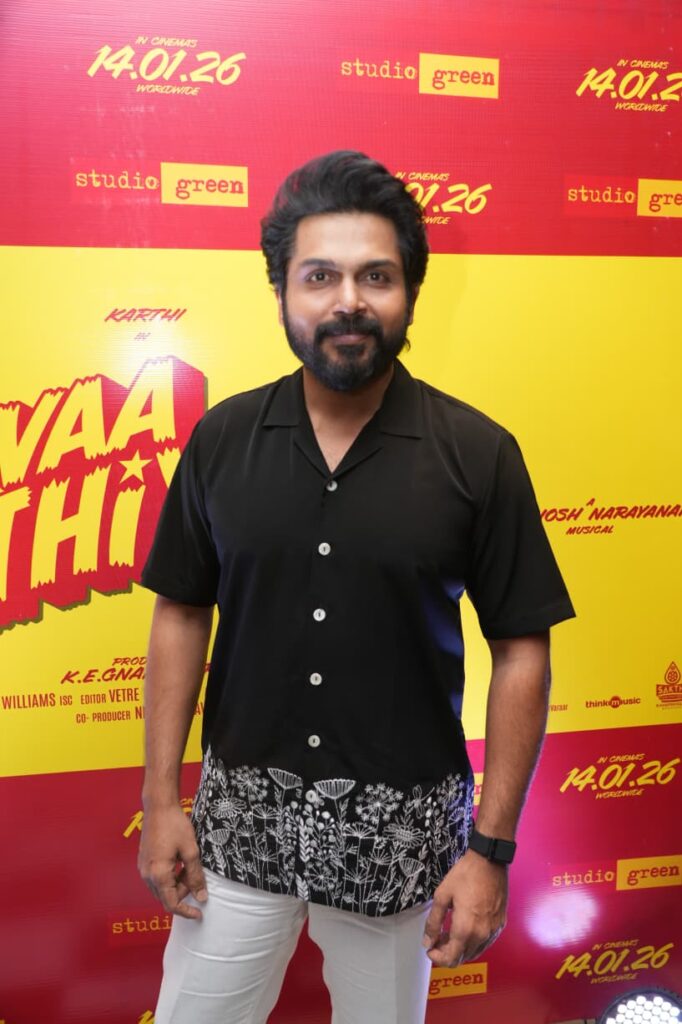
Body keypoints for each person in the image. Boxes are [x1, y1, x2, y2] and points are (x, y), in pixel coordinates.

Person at [138, 150, 575, 1024]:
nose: (349, 300)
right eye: (320, 276)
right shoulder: (222, 439)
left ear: (409, 292)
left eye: (376, 276)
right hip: (240, 832)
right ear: (282, 292)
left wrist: (490, 850)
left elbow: (522, 649)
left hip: (400, 844)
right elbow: (181, 613)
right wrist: (158, 801)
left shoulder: (478, 453)